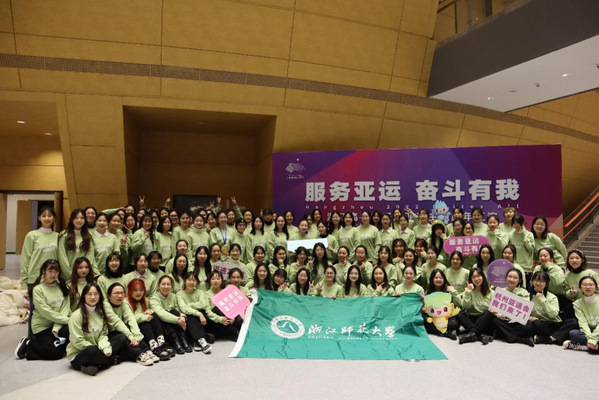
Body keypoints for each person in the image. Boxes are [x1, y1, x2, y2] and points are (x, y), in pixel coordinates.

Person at [67, 282, 130, 375]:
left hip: (97, 349)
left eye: (96, 294)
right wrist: (97, 350)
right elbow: (77, 341)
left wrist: (105, 348)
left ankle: (94, 365)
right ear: (84, 296)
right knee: (92, 350)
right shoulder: (76, 316)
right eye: (89, 294)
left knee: (120, 338)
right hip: (80, 353)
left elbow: (102, 335)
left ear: (100, 296)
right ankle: (112, 361)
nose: (93, 297)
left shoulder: (100, 313)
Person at [15, 259, 70, 361]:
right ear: (44, 271)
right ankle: (28, 344)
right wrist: (68, 320)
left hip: (57, 324)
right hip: (42, 327)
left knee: (67, 342)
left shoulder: (63, 286)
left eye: (56, 271)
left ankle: (53, 343)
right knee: (56, 353)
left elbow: (65, 308)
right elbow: (46, 312)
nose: (53, 274)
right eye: (50, 271)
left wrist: (58, 326)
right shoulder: (38, 290)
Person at [105, 283, 155, 365]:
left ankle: (146, 350)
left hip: (121, 330)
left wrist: (137, 337)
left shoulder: (124, 303)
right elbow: (117, 322)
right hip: (109, 335)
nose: (120, 296)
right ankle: (138, 354)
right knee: (123, 336)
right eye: (116, 293)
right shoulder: (105, 305)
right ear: (109, 296)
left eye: (122, 293)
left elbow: (131, 318)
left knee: (130, 327)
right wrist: (132, 338)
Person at [126, 279, 172, 361]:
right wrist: (144, 316)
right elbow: (129, 319)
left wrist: (150, 311)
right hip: (134, 329)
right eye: (135, 290)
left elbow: (150, 313)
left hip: (148, 329)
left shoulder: (145, 300)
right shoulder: (126, 302)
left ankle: (161, 342)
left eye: (141, 290)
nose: (138, 293)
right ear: (130, 291)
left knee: (154, 315)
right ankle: (154, 346)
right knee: (144, 322)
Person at [527, 271, 577, 345]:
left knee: (573, 322)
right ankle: (557, 337)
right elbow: (522, 313)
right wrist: (530, 318)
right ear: (532, 281)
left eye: (541, 281)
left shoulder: (552, 297)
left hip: (554, 323)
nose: (538, 283)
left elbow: (553, 315)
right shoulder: (527, 296)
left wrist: (542, 300)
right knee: (536, 324)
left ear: (546, 283)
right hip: (541, 324)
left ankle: (549, 338)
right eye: (536, 280)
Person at [491, 268, 535, 347]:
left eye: (515, 278)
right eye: (510, 276)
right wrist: (498, 315)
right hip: (504, 321)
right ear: (506, 278)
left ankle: (506, 335)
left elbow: (525, 309)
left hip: (517, 321)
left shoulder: (524, 292)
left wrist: (515, 293)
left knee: (529, 327)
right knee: (494, 321)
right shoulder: (501, 291)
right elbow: (494, 307)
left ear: (519, 280)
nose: (512, 279)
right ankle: (519, 339)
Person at [20, 206, 59, 292]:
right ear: (39, 218)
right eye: (44, 216)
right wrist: (23, 282)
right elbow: (25, 259)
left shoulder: (58, 236)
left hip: (52, 278)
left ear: (54, 218)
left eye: (50, 215)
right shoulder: (32, 235)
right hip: (34, 278)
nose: (47, 218)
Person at [150, 275, 192, 354]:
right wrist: (178, 320)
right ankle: (175, 342)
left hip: (177, 325)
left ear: (171, 286)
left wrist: (183, 317)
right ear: (158, 286)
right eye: (163, 284)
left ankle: (183, 339)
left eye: (168, 284)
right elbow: (161, 314)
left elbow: (178, 310)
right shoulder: (153, 298)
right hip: (164, 328)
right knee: (166, 315)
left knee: (174, 311)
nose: (166, 287)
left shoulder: (173, 296)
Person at [175, 273, 214, 353]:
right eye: (189, 280)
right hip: (192, 318)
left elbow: (203, 304)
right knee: (189, 316)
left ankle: (196, 341)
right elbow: (183, 308)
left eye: (194, 280)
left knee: (197, 312)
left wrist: (190, 306)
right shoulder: (179, 294)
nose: (191, 282)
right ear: (185, 281)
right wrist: (199, 314)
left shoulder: (200, 292)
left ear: (197, 282)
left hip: (202, 319)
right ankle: (202, 340)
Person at [456, 268, 496, 345]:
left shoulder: (491, 292)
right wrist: (468, 292)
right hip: (472, 319)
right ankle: (479, 335)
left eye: (478, 276)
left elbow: (494, 310)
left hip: (484, 320)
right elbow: (466, 306)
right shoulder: (468, 291)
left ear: (483, 277)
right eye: (474, 277)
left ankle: (473, 334)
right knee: (459, 313)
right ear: (471, 279)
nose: (476, 279)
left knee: (488, 313)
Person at [563, 276, 599, 352]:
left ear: (595, 288)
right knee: (573, 333)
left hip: (597, 332)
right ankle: (592, 347)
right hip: (587, 333)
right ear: (580, 288)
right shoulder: (577, 303)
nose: (588, 287)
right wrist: (590, 338)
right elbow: (582, 322)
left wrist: (593, 338)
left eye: (591, 285)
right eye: (585, 285)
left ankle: (585, 347)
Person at [204, 271, 243, 341]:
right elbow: (208, 313)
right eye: (213, 279)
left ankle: (219, 335)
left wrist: (232, 316)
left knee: (240, 315)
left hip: (227, 320)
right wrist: (220, 319)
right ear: (209, 281)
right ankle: (235, 333)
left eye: (218, 279)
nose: (215, 281)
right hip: (214, 320)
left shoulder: (226, 292)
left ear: (222, 281)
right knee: (218, 308)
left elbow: (232, 307)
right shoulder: (206, 295)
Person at [423, 268, 460, 340]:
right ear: (432, 279)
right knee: (424, 319)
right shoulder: (428, 292)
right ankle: (444, 333)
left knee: (455, 323)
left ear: (444, 279)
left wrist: (453, 291)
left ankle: (439, 331)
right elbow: (427, 309)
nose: (438, 280)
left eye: (440, 278)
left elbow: (457, 304)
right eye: (436, 278)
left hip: (446, 318)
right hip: (434, 318)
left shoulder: (448, 290)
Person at [58, 209, 95, 279]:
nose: (79, 220)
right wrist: (70, 275)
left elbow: (90, 256)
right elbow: (62, 256)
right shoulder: (64, 234)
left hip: (84, 275)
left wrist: (84, 271)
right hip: (68, 276)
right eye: (76, 218)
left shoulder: (89, 235)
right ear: (72, 219)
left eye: (82, 218)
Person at [91, 212, 120, 277]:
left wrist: (113, 270)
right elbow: (91, 257)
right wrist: (96, 273)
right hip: (95, 273)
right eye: (99, 220)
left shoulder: (113, 237)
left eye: (104, 221)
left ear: (108, 223)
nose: (102, 223)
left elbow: (117, 254)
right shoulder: (90, 237)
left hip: (111, 272)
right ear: (95, 222)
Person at [508, 214, 535, 279]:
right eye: (514, 223)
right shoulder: (510, 235)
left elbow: (531, 249)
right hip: (514, 266)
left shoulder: (529, 234)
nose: (516, 225)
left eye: (518, 223)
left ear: (523, 223)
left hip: (526, 267)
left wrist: (524, 237)